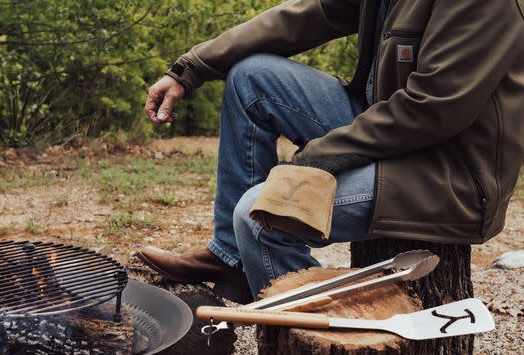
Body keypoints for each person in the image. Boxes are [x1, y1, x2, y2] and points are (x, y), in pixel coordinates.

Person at [138, 0, 524, 301]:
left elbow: (433, 109)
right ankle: (231, 259)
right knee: (250, 79)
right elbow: (310, 14)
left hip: (447, 170)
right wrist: (191, 68)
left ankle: (313, 346)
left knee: (259, 215)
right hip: (390, 126)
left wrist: (315, 157)